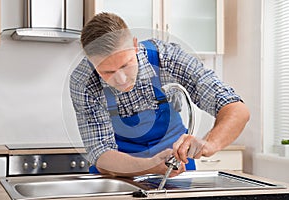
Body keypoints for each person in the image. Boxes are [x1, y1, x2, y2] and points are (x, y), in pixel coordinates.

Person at [70, 12, 250, 177]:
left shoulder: (167, 57)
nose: (121, 79)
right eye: (107, 72)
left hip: (177, 164)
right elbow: (101, 154)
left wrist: (209, 144)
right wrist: (150, 166)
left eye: (125, 65)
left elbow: (236, 109)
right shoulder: (83, 81)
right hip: (116, 172)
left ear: (135, 45)